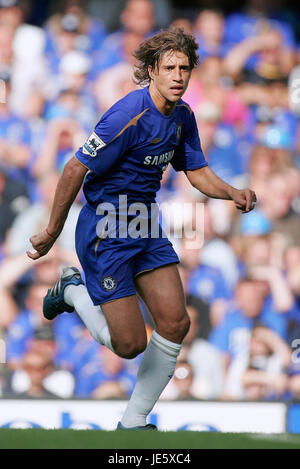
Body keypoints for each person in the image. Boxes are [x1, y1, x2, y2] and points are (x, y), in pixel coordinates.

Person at [27, 28, 256, 430]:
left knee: (175, 323)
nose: (178, 75)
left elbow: (197, 170)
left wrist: (232, 192)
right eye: (169, 67)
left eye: (184, 67)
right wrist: (51, 231)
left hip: (146, 223)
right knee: (130, 345)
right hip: (106, 231)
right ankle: (73, 291)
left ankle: (133, 422)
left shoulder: (182, 116)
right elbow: (74, 167)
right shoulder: (127, 114)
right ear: (152, 70)